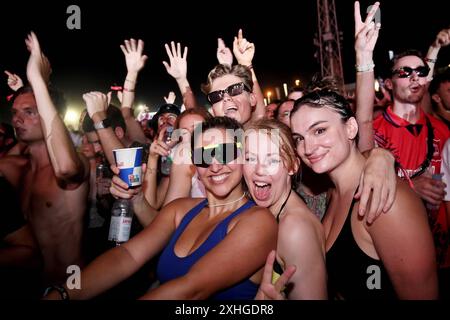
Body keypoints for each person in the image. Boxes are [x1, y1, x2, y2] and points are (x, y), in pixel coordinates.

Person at [45, 116, 277, 300]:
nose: (215, 165)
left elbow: (192, 289)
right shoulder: (180, 210)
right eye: (204, 155)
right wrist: (65, 292)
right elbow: (127, 255)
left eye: (225, 152)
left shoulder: (258, 221)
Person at [290, 89, 438, 299]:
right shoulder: (332, 191)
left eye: (320, 130)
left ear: (350, 128)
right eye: (298, 139)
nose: (308, 147)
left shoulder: (386, 201)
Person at [0, 32, 89, 287]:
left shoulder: (76, 162)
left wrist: (37, 81)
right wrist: (27, 93)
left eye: (28, 113)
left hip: (71, 289)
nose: (17, 119)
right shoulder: (18, 168)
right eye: (15, 113)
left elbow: (65, 169)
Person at [244, 119, 327, 299]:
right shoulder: (267, 212)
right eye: (250, 158)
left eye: (272, 159)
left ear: (292, 166)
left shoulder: (295, 229)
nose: (258, 169)